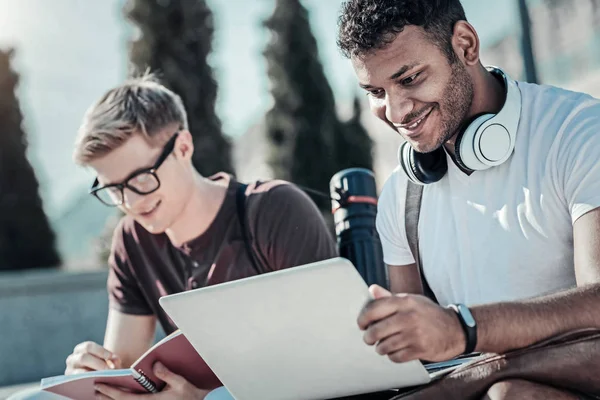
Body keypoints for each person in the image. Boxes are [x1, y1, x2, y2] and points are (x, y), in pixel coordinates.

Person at [337, 0, 600, 398]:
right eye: (376, 92)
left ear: (465, 45)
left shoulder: (578, 131)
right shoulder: (400, 195)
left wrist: (464, 330)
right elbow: (418, 360)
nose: (396, 111)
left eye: (409, 79)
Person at [60, 74, 337, 399]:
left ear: (183, 147)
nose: (131, 203)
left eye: (141, 178)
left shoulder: (272, 210)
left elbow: (330, 360)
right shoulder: (132, 241)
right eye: (114, 189)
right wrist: (93, 376)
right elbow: (123, 374)